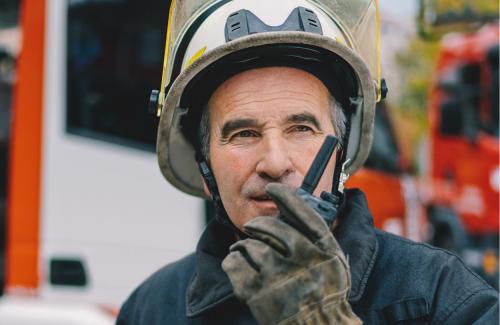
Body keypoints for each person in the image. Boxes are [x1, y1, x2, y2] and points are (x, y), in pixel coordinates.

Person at [117, 0, 499, 324]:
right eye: (243, 134)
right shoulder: (150, 308)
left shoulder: (440, 297)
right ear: (205, 169)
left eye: (301, 128)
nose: (275, 161)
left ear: (341, 155)